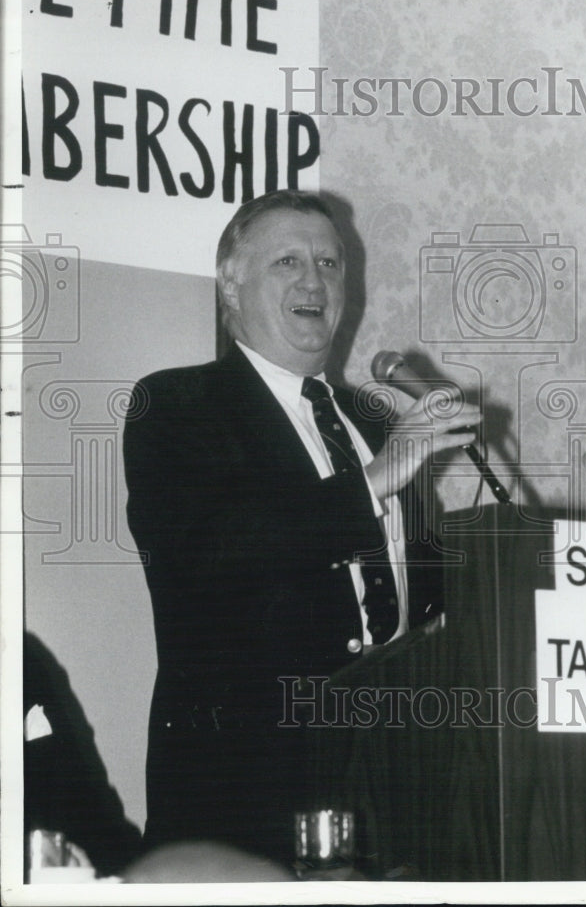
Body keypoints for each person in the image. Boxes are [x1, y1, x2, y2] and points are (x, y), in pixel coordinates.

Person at [123, 189, 480, 861]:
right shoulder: (177, 404)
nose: (315, 280)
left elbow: (415, 602)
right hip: (246, 794)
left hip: (395, 783)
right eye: (287, 261)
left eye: (330, 263)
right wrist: (373, 481)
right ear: (229, 286)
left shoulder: (376, 423)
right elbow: (211, 553)